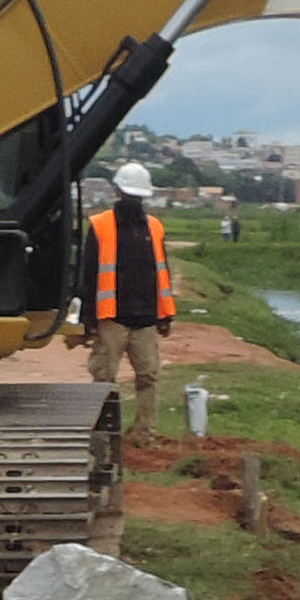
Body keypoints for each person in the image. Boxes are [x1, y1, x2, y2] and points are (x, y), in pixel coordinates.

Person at [82, 162, 176, 434]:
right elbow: (89, 275)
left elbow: (161, 272)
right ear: (118, 192)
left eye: (137, 196)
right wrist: (89, 318)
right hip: (112, 318)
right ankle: (106, 431)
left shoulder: (154, 228)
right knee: (104, 377)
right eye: (130, 195)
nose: (133, 201)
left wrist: (164, 315)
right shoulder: (100, 226)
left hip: (145, 318)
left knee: (148, 376)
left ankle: (144, 431)